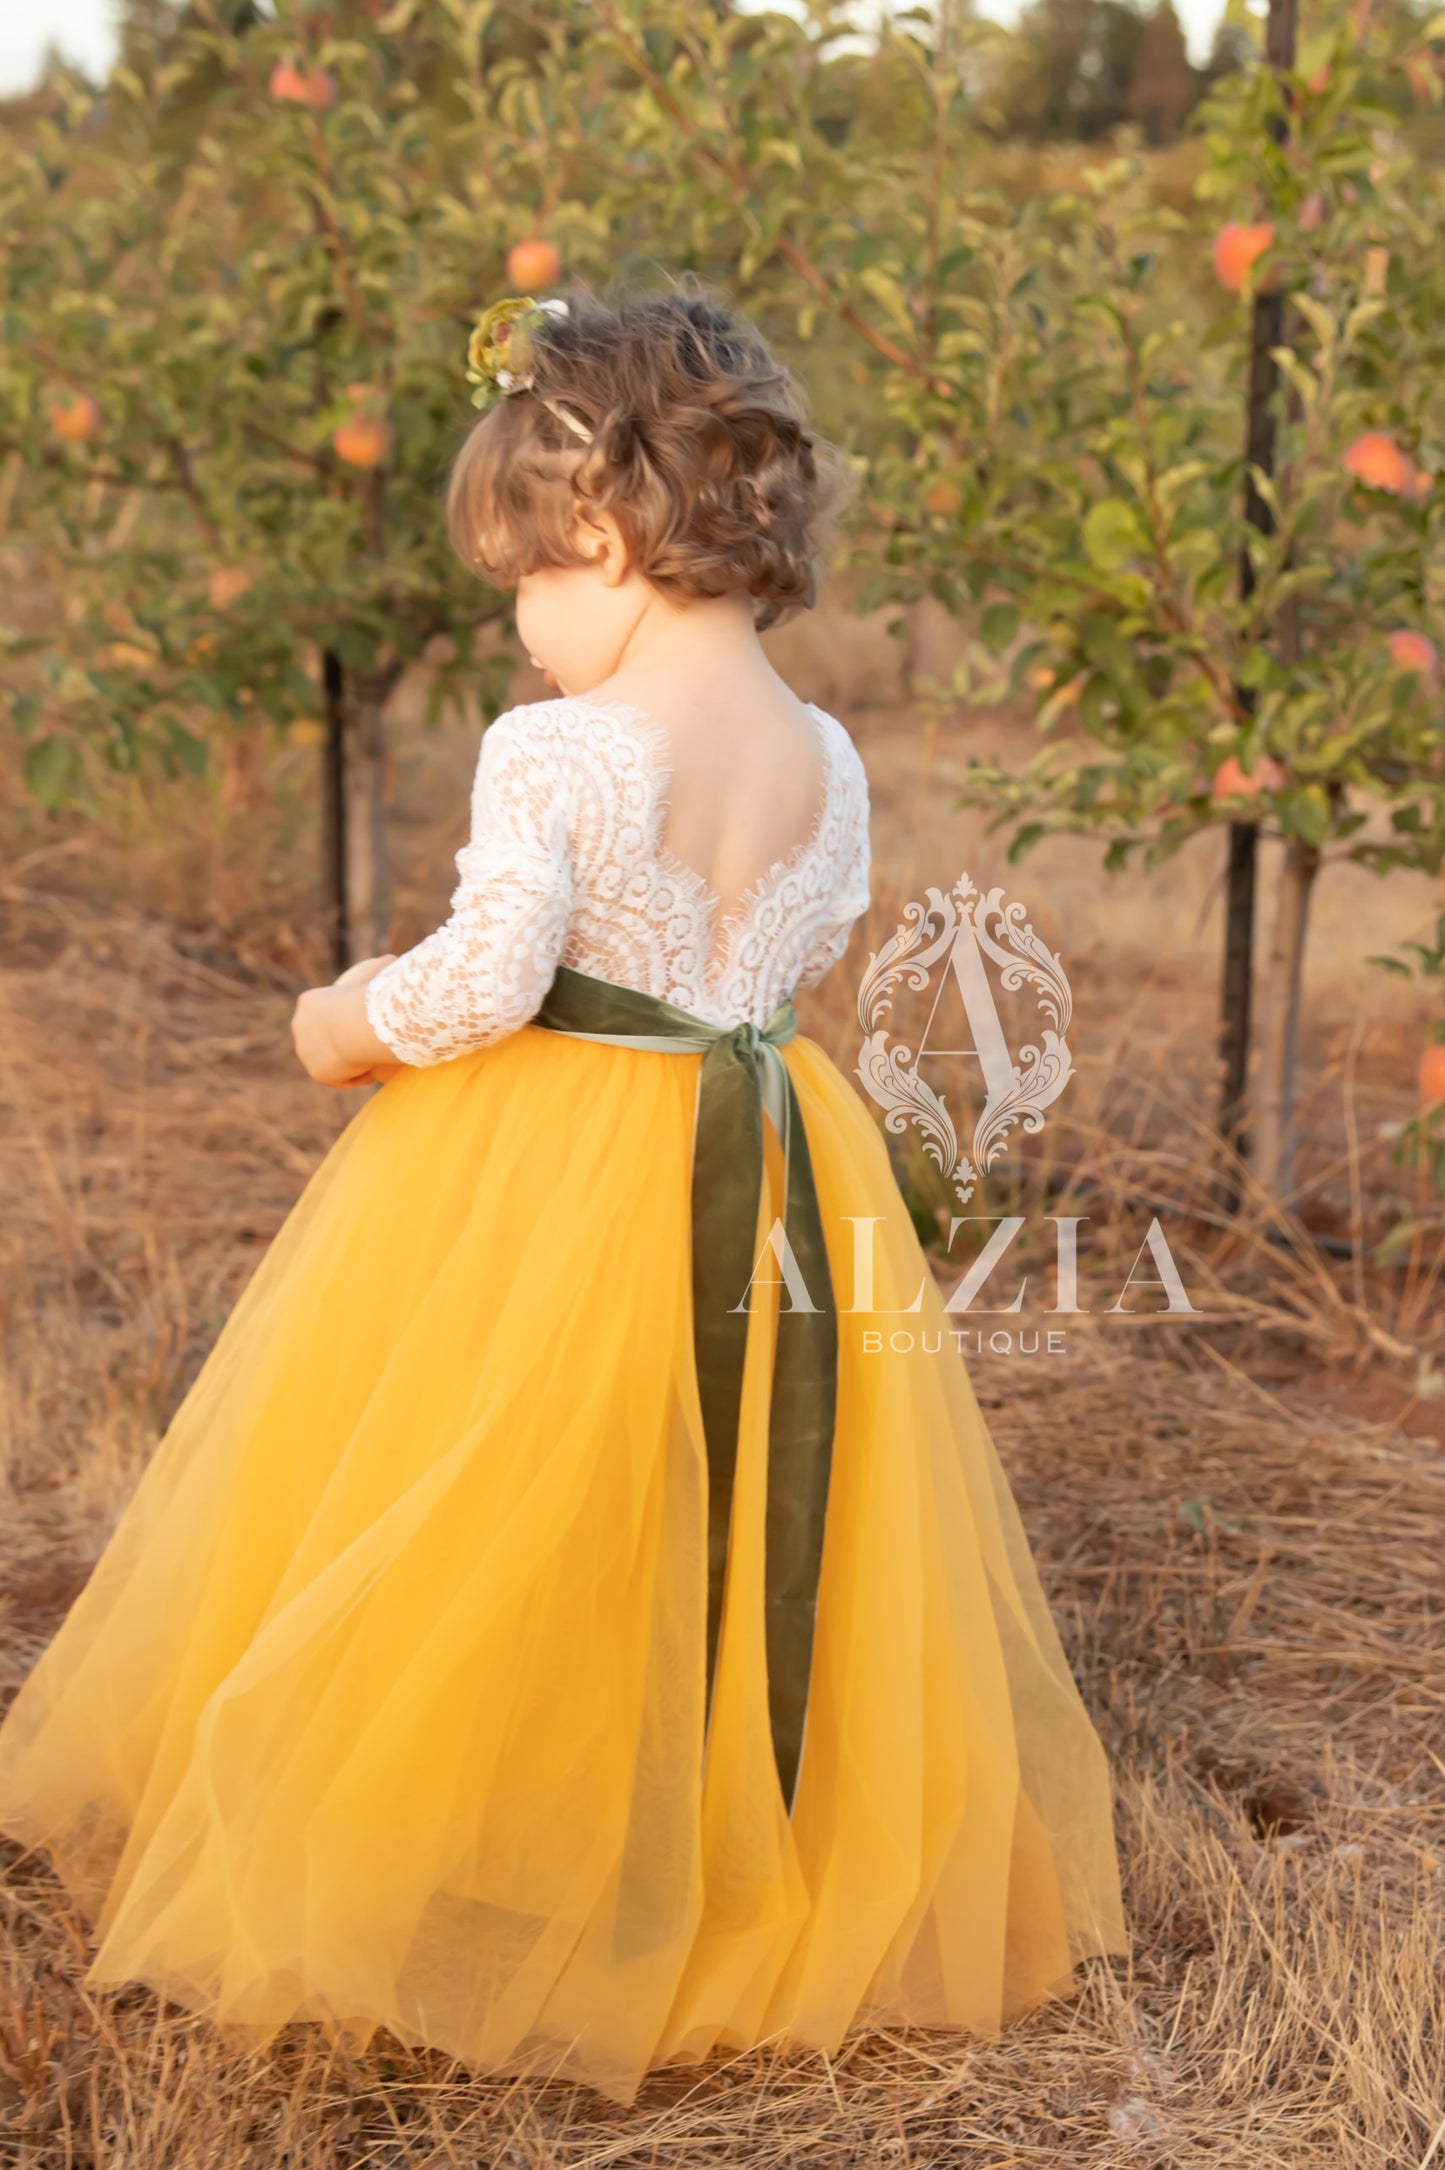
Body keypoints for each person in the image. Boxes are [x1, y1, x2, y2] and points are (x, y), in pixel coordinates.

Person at [0, 285, 1125, 2106]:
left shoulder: (562, 750)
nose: (520, 635)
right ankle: (720, 1826)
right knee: (744, 1479)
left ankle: (496, 1835)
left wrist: (335, 1022)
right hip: (772, 1141)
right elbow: (802, 945)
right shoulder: (828, 753)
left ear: (602, 531)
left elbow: (482, 980)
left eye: (525, 581)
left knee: (505, 1483)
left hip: (564, 1162)